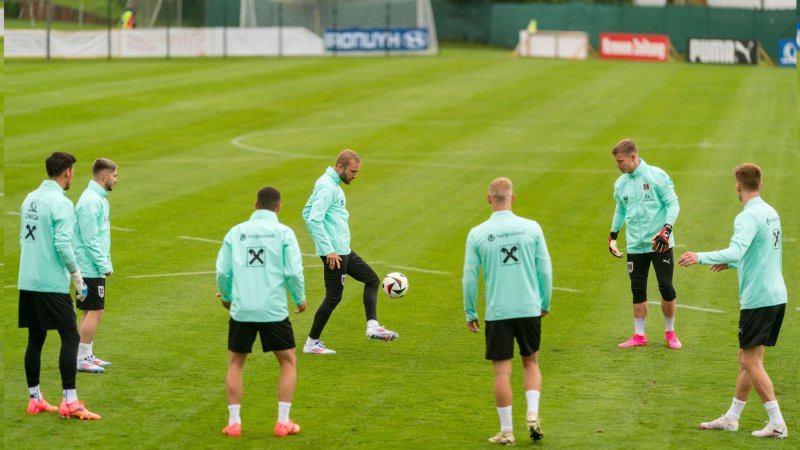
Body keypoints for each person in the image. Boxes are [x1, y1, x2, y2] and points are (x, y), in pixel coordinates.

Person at [678, 163, 788, 439]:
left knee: (752, 362)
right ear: (760, 184)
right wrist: (731, 266)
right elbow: (761, 254)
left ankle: (777, 422)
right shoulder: (771, 213)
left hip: (758, 299)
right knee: (746, 358)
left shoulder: (747, 217)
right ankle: (732, 417)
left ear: (738, 186)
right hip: (776, 296)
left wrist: (700, 257)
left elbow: (738, 250)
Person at [463, 177, 552, 445]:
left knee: (502, 372)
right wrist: (544, 302)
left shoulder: (477, 233)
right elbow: (545, 269)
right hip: (528, 308)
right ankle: (533, 414)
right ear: (512, 198)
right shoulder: (532, 228)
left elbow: (469, 276)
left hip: (498, 311)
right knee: (531, 362)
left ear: (489, 199)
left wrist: (470, 311)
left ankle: (507, 431)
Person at [216, 187, 307, 438]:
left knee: (236, 363)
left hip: (242, 310)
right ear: (278, 207)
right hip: (273, 311)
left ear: (256, 204)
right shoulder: (284, 233)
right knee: (287, 362)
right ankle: (282, 422)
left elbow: (223, 272)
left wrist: (227, 297)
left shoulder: (236, 232)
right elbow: (292, 272)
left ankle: (234, 423)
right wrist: (300, 299)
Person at [18, 152, 101, 420]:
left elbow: (24, 239)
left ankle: (35, 398)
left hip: (27, 280)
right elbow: (64, 245)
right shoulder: (61, 203)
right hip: (50, 283)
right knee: (70, 336)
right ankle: (71, 401)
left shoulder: (30, 198)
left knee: (36, 337)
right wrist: (78, 280)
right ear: (67, 172)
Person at [301, 149, 398, 355]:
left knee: (371, 279)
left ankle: (372, 326)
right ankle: (311, 343)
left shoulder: (329, 183)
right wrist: (328, 250)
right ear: (340, 167)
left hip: (342, 249)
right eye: (353, 171)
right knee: (333, 297)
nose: (355, 175)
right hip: (336, 253)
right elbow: (313, 218)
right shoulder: (328, 187)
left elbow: (306, 212)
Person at [608, 139, 682, 349]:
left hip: (660, 243)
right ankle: (639, 336)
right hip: (635, 245)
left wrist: (665, 231)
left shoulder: (656, 176)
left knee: (666, 287)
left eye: (620, 161)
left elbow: (673, 203)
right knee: (637, 289)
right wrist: (613, 234)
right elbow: (620, 209)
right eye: (616, 162)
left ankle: (670, 332)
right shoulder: (620, 183)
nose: (618, 165)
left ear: (633, 157)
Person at [74, 158, 118, 373]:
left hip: (91, 265)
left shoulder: (98, 198)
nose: (116, 180)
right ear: (105, 176)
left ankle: (86, 354)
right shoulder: (91, 201)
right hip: (89, 265)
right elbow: (90, 238)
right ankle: (81, 358)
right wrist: (104, 264)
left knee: (90, 310)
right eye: (115, 175)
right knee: (96, 310)